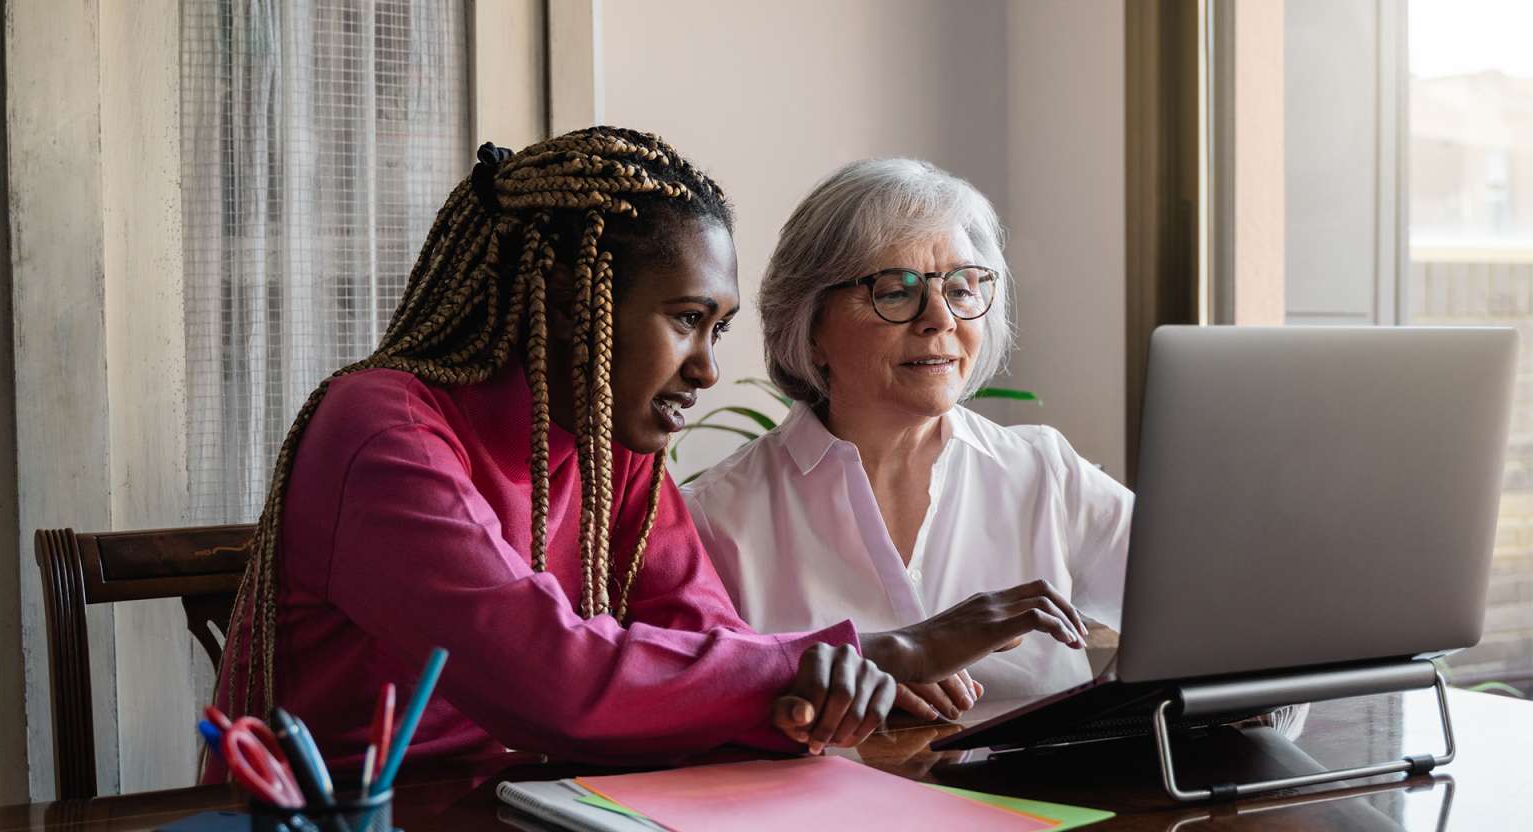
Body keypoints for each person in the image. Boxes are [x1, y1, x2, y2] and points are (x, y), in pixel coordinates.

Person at [211, 129, 1087, 776]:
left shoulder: (611, 449)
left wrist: (818, 684)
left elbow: (712, 641)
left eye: (719, 329)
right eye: (685, 321)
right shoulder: (379, 431)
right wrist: (875, 655)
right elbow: (554, 679)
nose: (708, 368)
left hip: (532, 815)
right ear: (565, 303)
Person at [683, 158, 1132, 718]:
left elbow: (1204, 613)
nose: (940, 317)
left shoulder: (1046, 473)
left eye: (963, 287)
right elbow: (690, 703)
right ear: (810, 324)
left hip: (1052, 802)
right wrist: (852, 679)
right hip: (826, 803)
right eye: (896, 292)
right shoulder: (713, 518)